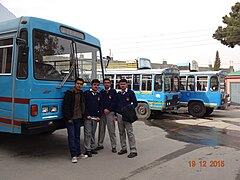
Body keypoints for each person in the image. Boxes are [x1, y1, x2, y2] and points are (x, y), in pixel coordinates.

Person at [62, 78, 87, 163]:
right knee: (71, 137)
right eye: (78, 83)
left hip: (78, 118)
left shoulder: (81, 93)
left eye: (81, 84)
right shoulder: (69, 93)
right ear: (75, 84)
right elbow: (65, 106)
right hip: (71, 119)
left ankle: (79, 153)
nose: (79, 85)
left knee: (77, 136)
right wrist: (68, 118)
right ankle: (73, 155)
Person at [115, 79, 138, 158]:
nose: (122, 86)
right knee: (121, 132)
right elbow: (116, 104)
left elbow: (135, 103)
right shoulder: (118, 94)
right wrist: (116, 114)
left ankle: (133, 150)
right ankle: (123, 148)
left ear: (127, 85)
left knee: (129, 132)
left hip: (127, 116)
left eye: (124, 84)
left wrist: (129, 110)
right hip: (119, 115)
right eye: (121, 84)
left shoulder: (130, 93)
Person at [96, 78, 117, 153]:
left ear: (110, 84)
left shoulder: (113, 92)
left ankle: (114, 146)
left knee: (111, 130)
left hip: (110, 113)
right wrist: (103, 110)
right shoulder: (101, 92)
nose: (106, 84)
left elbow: (115, 102)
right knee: (101, 129)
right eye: (105, 83)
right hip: (102, 113)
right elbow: (100, 103)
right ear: (103, 84)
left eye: (108, 83)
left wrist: (109, 109)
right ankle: (100, 144)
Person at [84, 79, 103, 157]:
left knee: (92, 132)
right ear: (91, 85)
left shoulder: (99, 95)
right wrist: (86, 114)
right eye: (95, 85)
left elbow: (101, 106)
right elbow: (84, 105)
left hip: (95, 117)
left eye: (97, 85)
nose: (96, 86)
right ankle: (87, 149)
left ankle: (92, 148)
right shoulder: (86, 94)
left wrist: (99, 116)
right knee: (87, 133)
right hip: (88, 117)